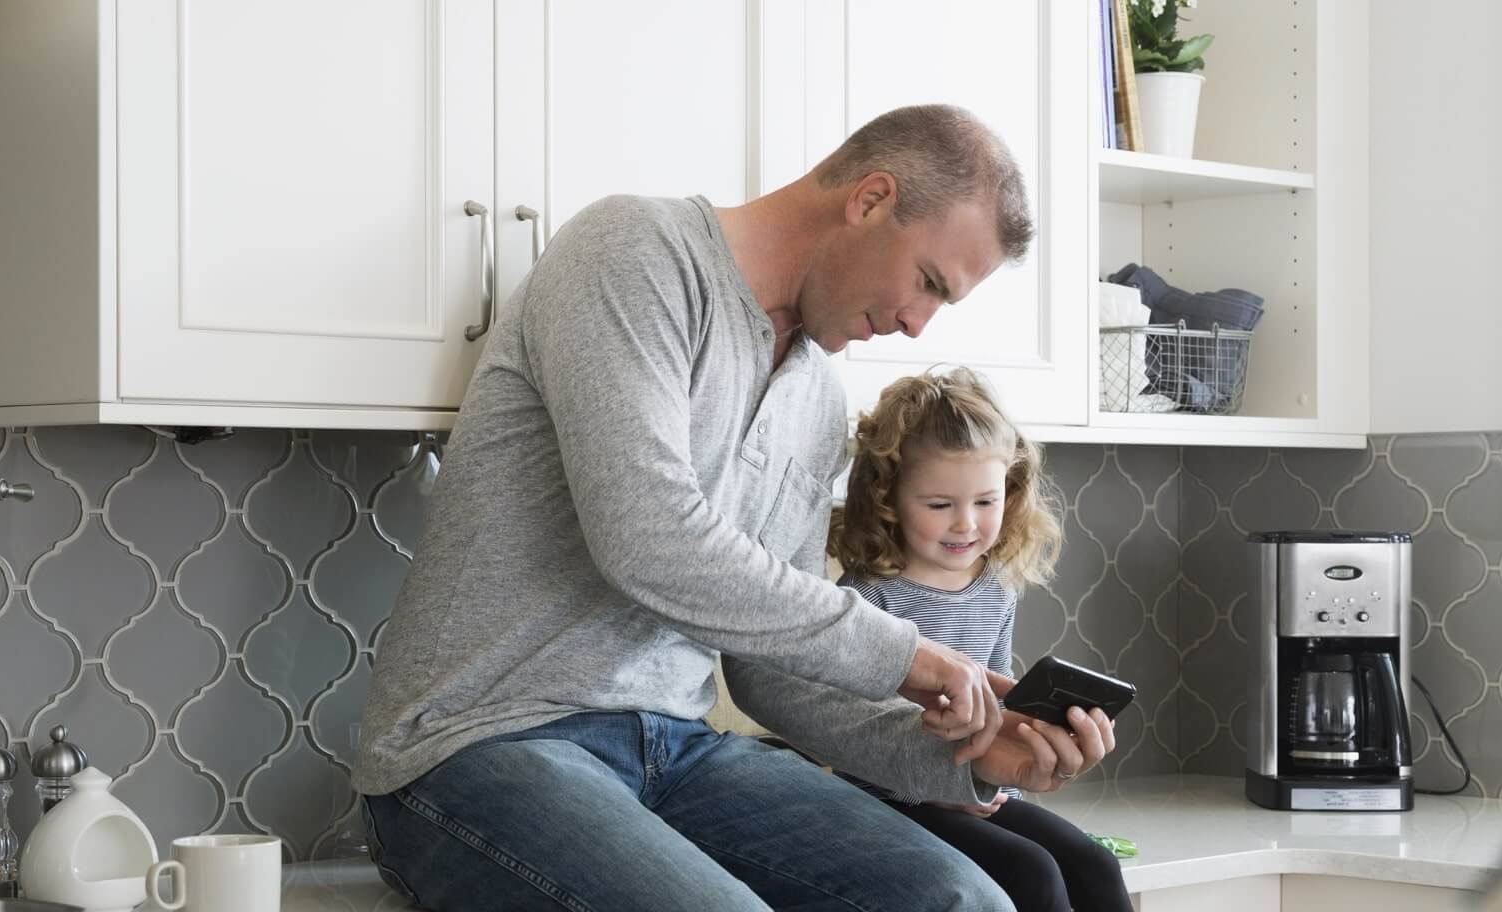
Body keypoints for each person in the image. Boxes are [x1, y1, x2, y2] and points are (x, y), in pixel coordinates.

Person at [351, 104, 1116, 911]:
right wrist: (915, 658)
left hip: (676, 753)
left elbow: (773, 677)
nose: (915, 322)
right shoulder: (632, 255)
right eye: (928, 281)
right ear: (871, 199)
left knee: (969, 902)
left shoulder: (817, 396)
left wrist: (971, 757)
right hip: (477, 746)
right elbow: (648, 539)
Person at [828, 367, 1132, 912]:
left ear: (1009, 493)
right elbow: (849, 733)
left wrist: (1016, 760)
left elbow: (997, 705)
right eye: (940, 505)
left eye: (986, 503)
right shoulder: (866, 598)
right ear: (889, 497)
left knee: (1096, 863)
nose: (965, 524)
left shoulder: (995, 592)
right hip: (893, 798)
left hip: (981, 790)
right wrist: (957, 786)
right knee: (1031, 870)